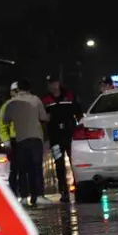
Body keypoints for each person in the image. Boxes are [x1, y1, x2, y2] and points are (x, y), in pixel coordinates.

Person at [2, 78, 51, 206]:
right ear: (29, 88)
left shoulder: (11, 103)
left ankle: (24, 197)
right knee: (36, 167)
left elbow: (5, 120)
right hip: (36, 138)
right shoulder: (36, 100)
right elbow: (43, 117)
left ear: (18, 89)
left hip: (20, 139)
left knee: (22, 169)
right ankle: (38, 195)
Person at [42, 75, 84, 203]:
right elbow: (43, 119)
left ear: (59, 83)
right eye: (50, 84)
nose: (52, 86)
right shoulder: (45, 100)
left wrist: (80, 130)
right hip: (55, 137)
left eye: (54, 83)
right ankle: (63, 191)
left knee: (74, 162)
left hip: (70, 135)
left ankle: (79, 189)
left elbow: (79, 114)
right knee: (59, 164)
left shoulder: (70, 96)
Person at [0, 83, 20, 199]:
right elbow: (1, 126)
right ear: (11, 92)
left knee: (28, 168)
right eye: (16, 91)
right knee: (14, 168)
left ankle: (28, 194)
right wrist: (6, 141)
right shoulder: (6, 106)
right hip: (14, 140)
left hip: (27, 139)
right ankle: (14, 194)